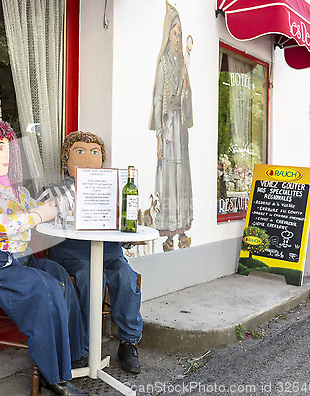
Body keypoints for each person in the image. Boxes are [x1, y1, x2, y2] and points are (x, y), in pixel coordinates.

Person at [0, 121, 88, 396]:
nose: (6, 154)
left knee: (61, 276)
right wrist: (39, 215)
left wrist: (56, 205)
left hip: (22, 259)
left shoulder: (14, 188)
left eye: (8, 148)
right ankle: (55, 378)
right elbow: (1, 224)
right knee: (46, 289)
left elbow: (32, 208)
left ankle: (72, 355)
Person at [37, 131, 143, 374]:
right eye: (80, 152)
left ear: (102, 160)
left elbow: (124, 223)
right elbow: (39, 224)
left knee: (126, 277)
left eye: (94, 152)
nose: (87, 158)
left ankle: (128, 342)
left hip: (109, 252)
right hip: (72, 254)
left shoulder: (113, 190)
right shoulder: (53, 191)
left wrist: (128, 232)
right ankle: (83, 346)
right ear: (67, 159)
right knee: (88, 278)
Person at [149, 1, 194, 251]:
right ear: (168, 34)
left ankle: (181, 229)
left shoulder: (181, 63)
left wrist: (186, 85)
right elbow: (158, 99)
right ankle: (167, 231)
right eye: (174, 33)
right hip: (167, 127)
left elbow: (186, 99)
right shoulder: (164, 63)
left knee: (181, 175)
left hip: (181, 128)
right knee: (169, 177)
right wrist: (158, 134)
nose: (177, 38)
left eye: (179, 33)